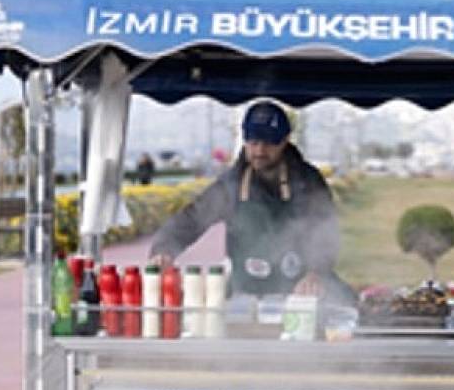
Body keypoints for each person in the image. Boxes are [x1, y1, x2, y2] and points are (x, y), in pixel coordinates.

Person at [149, 100, 353, 304]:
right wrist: (164, 249)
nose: (260, 151)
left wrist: (317, 272)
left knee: (344, 303)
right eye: (253, 142)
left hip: (301, 293)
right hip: (245, 293)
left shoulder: (308, 181)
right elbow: (193, 217)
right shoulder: (232, 184)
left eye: (269, 143)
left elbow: (326, 233)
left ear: (285, 141)